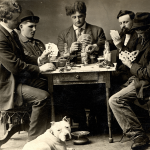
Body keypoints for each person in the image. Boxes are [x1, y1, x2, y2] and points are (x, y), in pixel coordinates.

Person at [0, 0, 56, 141]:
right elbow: (15, 66)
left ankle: (45, 131)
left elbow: (23, 57)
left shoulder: (11, 33)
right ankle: (35, 141)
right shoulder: (0, 37)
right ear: (4, 18)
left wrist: (39, 60)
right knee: (43, 97)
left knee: (49, 85)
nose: (18, 22)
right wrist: (40, 69)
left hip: (16, 80)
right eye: (15, 19)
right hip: (7, 85)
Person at [57, 1, 106, 132]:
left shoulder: (97, 31)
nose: (77, 20)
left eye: (80, 16)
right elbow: (61, 57)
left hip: (93, 77)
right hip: (72, 78)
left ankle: (96, 121)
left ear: (85, 15)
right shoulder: (63, 35)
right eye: (74, 17)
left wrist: (94, 46)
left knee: (101, 89)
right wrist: (69, 51)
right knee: (68, 92)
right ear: (70, 17)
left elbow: (103, 46)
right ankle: (81, 121)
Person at [109, 12, 150, 149]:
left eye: (142, 30)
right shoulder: (141, 39)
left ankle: (138, 135)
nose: (139, 33)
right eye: (137, 30)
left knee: (115, 100)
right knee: (114, 91)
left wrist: (130, 65)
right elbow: (133, 56)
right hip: (138, 79)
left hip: (146, 83)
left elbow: (147, 74)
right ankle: (138, 134)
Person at [109, 10, 139, 92]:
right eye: (121, 23)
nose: (123, 26)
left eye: (125, 22)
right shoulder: (123, 33)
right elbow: (111, 42)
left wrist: (121, 47)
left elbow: (133, 58)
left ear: (133, 21)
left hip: (131, 74)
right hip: (120, 71)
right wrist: (96, 46)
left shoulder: (138, 36)